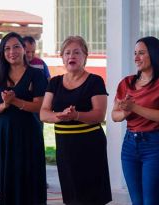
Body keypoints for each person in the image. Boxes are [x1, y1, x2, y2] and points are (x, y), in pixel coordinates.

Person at [40, 36, 112, 205]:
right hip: (65, 147)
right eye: (67, 52)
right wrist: (60, 116)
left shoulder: (95, 81)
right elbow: (43, 113)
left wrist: (76, 115)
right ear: (62, 57)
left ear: (85, 56)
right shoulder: (55, 82)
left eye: (77, 52)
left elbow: (99, 115)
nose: (71, 56)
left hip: (90, 145)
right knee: (72, 196)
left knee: (92, 196)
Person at [111, 36, 159, 205]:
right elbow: (114, 115)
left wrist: (133, 108)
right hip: (129, 146)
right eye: (135, 53)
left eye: (141, 53)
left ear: (154, 54)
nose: (136, 58)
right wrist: (126, 112)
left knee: (151, 202)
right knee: (137, 202)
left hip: (155, 147)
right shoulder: (126, 83)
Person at [0, 32, 47, 204]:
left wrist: (15, 101)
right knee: (8, 176)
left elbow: (39, 106)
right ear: (2, 52)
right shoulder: (0, 75)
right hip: (5, 134)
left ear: (23, 49)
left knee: (30, 177)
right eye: (7, 48)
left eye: (16, 47)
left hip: (29, 133)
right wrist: (4, 105)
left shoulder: (36, 74)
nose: (12, 51)